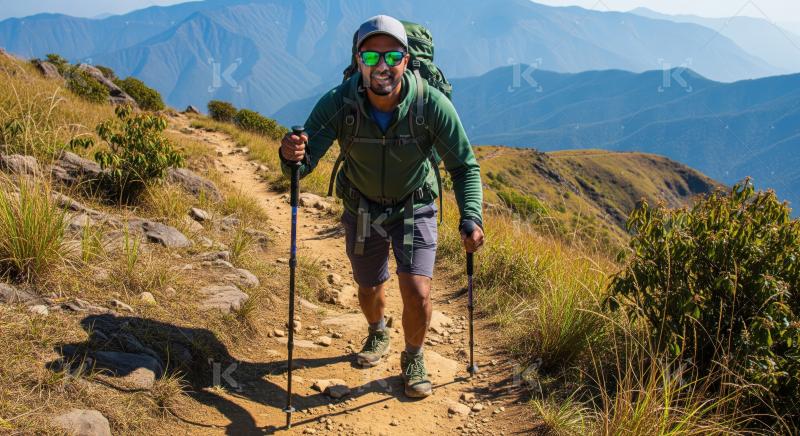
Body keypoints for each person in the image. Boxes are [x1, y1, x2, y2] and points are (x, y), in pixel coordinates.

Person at [279, 14, 484, 398]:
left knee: (418, 291)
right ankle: (377, 332)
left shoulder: (430, 104)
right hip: (362, 208)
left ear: (406, 60)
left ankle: (414, 356)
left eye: (391, 56)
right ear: (358, 61)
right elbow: (302, 163)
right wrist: (290, 153)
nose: (382, 66)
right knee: (368, 286)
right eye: (371, 58)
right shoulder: (340, 102)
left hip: (415, 205)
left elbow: (464, 165)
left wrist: (471, 216)